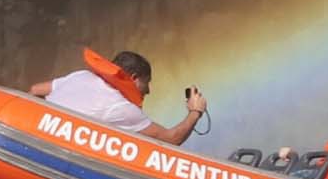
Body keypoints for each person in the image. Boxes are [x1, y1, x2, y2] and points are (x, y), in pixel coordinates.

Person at [30, 47, 206, 147]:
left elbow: (35, 90)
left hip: (33, 130)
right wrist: (195, 112)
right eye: (147, 82)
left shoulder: (81, 75)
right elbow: (171, 138)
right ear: (135, 78)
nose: (148, 91)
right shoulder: (121, 107)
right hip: (52, 148)